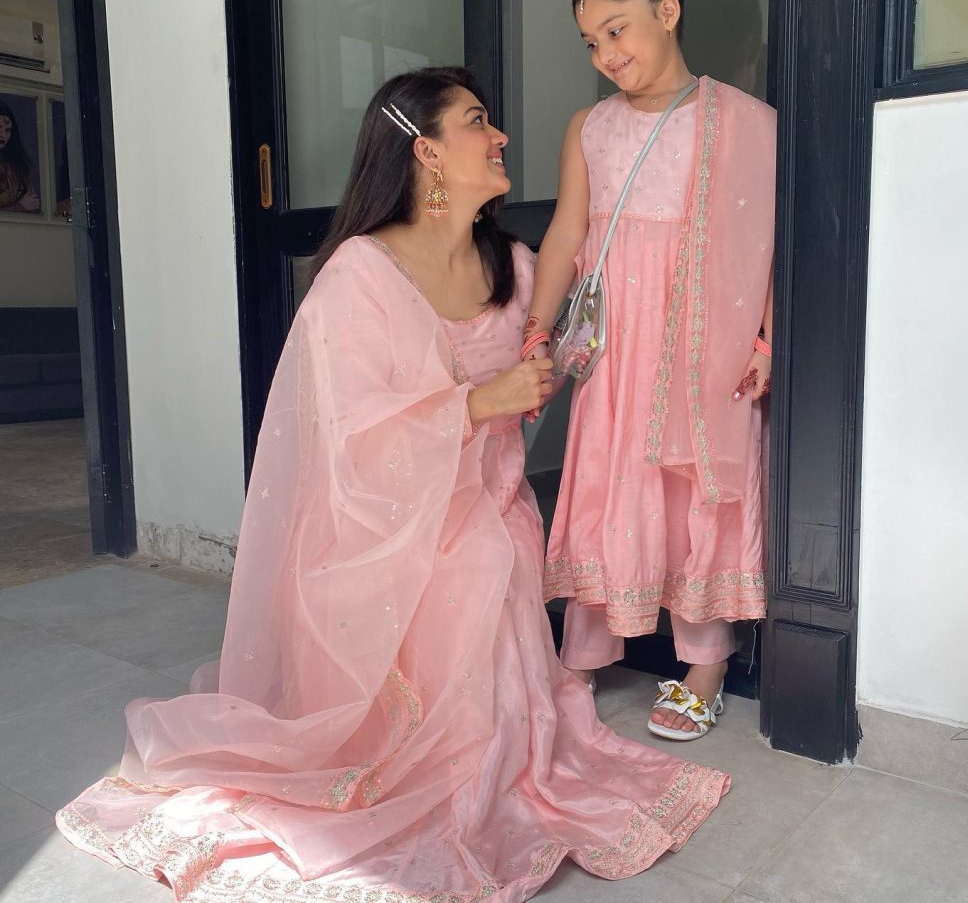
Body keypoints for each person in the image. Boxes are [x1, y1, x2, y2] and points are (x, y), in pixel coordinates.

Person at [56, 66, 729, 902]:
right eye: (478, 121)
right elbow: (348, 435)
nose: (502, 136)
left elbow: (568, 339)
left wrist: (556, 369)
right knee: (465, 578)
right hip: (382, 532)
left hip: (489, 517)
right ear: (427, 156)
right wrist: (483, 401)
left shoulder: (515, 268)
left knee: (493, 551)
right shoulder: (360, 276)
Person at [524, 0, 776, 742]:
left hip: (702, 339)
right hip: (614, 345)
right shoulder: (589, 127)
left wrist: (767, 336)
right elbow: (567, 233)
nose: (606, 56)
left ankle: (705, 659)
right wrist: (538, 331)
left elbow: (773, 240)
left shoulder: (743, 121)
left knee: (690, 488)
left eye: (617, 30)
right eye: (591, 41)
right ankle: (585, 649)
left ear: (668, 11)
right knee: (608, 476)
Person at [0, 99, 41, 212]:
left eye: (8, 130)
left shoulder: (16, 164)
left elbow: (30, 201)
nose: (3, 134)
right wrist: (19, 207)